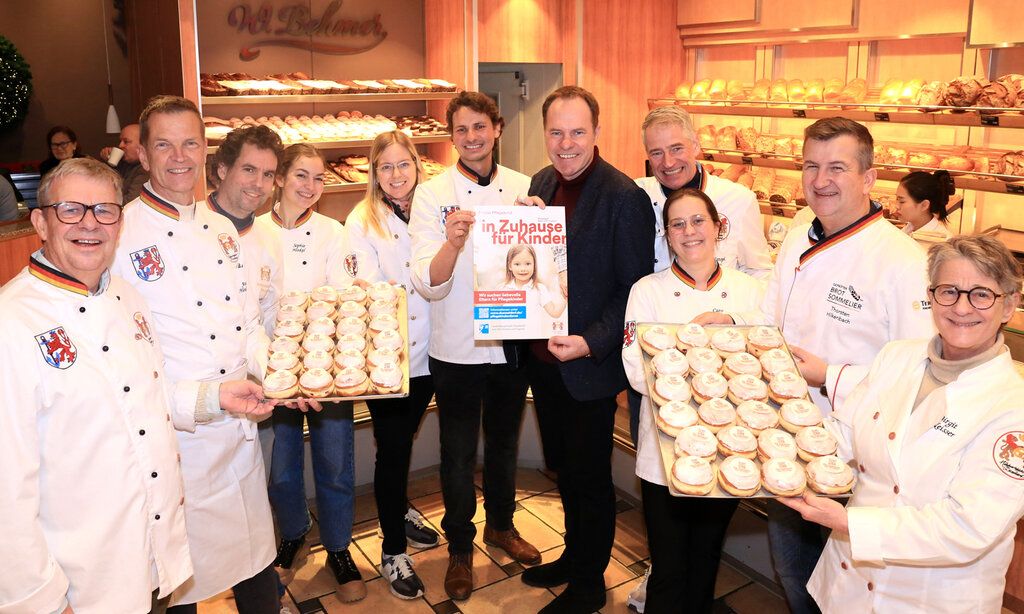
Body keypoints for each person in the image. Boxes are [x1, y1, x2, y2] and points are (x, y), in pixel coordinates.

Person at [713, 117, 936, 613]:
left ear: (868, 177)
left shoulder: (901, 261)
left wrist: (829, 374)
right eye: (811, 166)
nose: (820, 180)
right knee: (794, 572)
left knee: (847, 589)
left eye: (837, 167)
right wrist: (728, 322)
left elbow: (917, 375)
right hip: (787, 440)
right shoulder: (796, 238)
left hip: (857, 458)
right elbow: (768, 317)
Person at [782, 234, 1024, 613]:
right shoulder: (896, 358)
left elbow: (968, 528)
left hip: (930, 598)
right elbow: (841, 435)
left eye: (981, 294)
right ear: (932, 296)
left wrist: (849, 523)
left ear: (1009, 304)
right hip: (847, 586)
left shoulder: (1014, 406)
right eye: (949, 291)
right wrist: (772, 447)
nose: (961, 307)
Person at [111, 95, 280, 613]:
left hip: (239, 437)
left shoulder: (223, 228)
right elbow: (123, 364)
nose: (179, 156)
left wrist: (282, 377)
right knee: (181, 584)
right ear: (143, 153)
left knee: (257, 569)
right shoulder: (119, 232)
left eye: (189, 143)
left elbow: (248, 322)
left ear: (204, 150)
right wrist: (212, 399)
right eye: (164, 144)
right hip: (178, 440)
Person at [0, 158, 192, 614]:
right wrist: (41, 603)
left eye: (105, 210)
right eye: (71, 209)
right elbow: (6, 493)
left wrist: (216, 398)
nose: (90, 224)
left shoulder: (127, 296)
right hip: (76, 587)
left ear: (120, 223)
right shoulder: (12, 323)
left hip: (145, 558)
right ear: (41, 222)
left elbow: (146, 402)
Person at [515, 85, 655, 614]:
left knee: (591, 479)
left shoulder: (624, 197)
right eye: (556, 132)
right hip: (545, 362)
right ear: (545, 133)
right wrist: (518, 226)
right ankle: (574, 559)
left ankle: (591, 584)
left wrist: (590, 342)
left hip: (588, 369)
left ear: (596, 133)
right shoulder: (540, 183)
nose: (566, 143)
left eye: (577, 132)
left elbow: (633, 288)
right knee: (564, 472)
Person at [408, 91, 542, 602]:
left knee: (505, 442)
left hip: (511, 343)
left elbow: (544, 269)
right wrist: (452, 242)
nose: (472, 138)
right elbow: (428, 281)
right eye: (461, 130)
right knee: (458, 451)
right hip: (457, 346)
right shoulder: (431, 194)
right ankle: (460, 546)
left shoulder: (525, 187)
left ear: (498, 127)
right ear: (451, 137)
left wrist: (538, 225)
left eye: (480, 127)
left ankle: (501, 526)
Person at [622, 188, 764, 614]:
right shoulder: (647, 290)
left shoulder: (749, 292)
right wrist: (703, 347)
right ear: (666, 235)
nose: (689, 232)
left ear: (719, 226)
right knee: (667, 568)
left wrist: (730, 323)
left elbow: (766, 354)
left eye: (698, 221)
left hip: (727, 446)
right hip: (664, 451)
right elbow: (634, 367)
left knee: (705, 562)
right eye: (677, 224)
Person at [254, 143, 366, 603]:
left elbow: (340, 296)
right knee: (281, 469)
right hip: (273, 370)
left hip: (327, 369)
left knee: (335, 463)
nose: (310, 187)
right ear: (279, 178)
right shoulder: (253, 231)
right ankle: (294, 532)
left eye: (319, 179)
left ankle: (339, 547)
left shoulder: (333, 232)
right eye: (301, 176)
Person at [344, 130, 440, 600]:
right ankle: (392, 551)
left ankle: (399, 507)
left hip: (438, 351)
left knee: (403, 440)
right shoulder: (361, 220)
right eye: (386, 167)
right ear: (374, 173)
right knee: (394, 449)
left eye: (404, 164)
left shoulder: (433, 207)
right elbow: (366, 289)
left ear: (418, 166)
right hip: (391, 359)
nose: (397, 175)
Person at [636, 106, 772, 279]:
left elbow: (759, 272)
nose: (668, 162)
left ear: (695, 146)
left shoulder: (739, 200)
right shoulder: (635, 196)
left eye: (676, 149)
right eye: (656, 153)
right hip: (654, 304)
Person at [207, 124, 284, 333]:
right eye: (249, 170)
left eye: (268, 175)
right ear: (223, 169)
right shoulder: (187, 227)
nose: (258, 183)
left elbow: (270, 311)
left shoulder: (269, 239)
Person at [495, 243, 566, 318]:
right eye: (517, 264)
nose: (523, 269)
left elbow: (555, 313)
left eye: (528, 264)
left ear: (534, 265)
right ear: (510, 266)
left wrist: (566, 295)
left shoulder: (540, 289)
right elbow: (493, 314)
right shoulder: (502, 289)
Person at [895, 169, 955, 240]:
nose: (897, 206)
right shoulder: (906, 231)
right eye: (897, 199)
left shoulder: (943, 241)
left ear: (924, 205)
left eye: (902, 201)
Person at [101, 123, 150, 202]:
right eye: (120, 141)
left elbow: (130, 202)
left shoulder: (145, 170)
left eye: (126, 141)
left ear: (143, 144)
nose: (120, 145)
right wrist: (109, 161)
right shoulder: (125, 163)